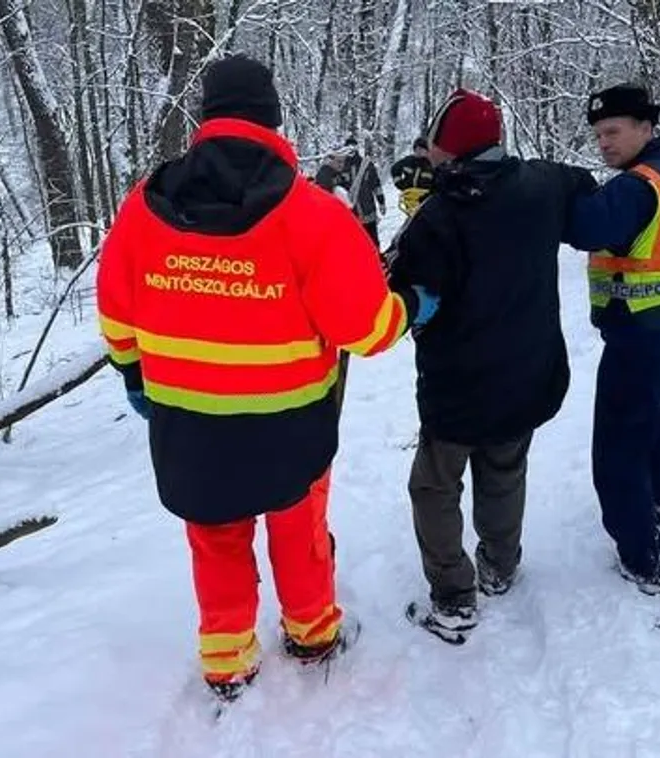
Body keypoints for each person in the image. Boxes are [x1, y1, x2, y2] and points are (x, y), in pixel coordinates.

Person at [95, 54, 437, 701]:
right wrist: (410, 309)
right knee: (297, 531)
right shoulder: (313, 215)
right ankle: (311, 633)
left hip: (187, 425)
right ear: (274, 120)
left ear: (206, 119)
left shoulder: (144, 207)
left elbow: (116, 311)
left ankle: (227, 662)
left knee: (216, 539)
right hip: (290, 422)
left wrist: (134, 376)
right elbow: (364, 329)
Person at [386, 89, 594, 644]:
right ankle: (499, 566)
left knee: (434, 487)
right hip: (528, 374)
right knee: (505, 468)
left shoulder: (440, 217)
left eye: (432, 143)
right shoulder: (543, 185)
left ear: (448, 149)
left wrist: (418, 207)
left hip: (459, 384)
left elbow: (402, 286)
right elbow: (584, 189)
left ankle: (454, 597)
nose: (426, 152)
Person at [563, 83, 660, 596]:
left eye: (613, 131)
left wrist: (563, 187)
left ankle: (641, 555)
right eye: (598, 134)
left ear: (646, 129)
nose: (604, 142)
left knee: (620, 444)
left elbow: (582, 227)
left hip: (637, 335)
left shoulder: (633, 187)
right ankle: (656, 505)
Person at [339, 138, 388, 248]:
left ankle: (377, 262)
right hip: (350, 214)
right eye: (348, 147)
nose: (351, 150)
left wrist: (381, 202)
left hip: (368, 211)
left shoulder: (366, 165)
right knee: (353, 244)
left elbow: (376, 185)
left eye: (353, 146)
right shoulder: (340, 167)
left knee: (372, 242)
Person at [390, 137, 434, 217]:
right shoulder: (408, 161)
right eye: (417, 148)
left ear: (426, 151)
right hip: (410, 198)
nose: (419, 151)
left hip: (424, 199)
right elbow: (395, 168)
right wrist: (399, 183)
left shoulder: (430, 165)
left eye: (422, 149)